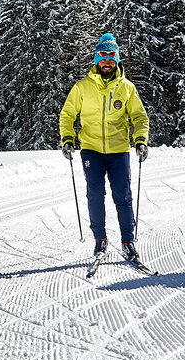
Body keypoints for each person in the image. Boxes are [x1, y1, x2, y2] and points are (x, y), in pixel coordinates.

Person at [59, 33, 151, 264]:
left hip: (118, 149)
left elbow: (139, 117)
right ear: (96, 59)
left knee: (123, 196)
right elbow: (68, 114)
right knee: (95, 194)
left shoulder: (127, 88)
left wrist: (140, 140)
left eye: (112, 56)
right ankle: (100, 239)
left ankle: (128, 242)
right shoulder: (82, 87)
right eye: (103, 56)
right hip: (91, 148)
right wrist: (68, 138)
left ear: (117, 60)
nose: (107, 61)